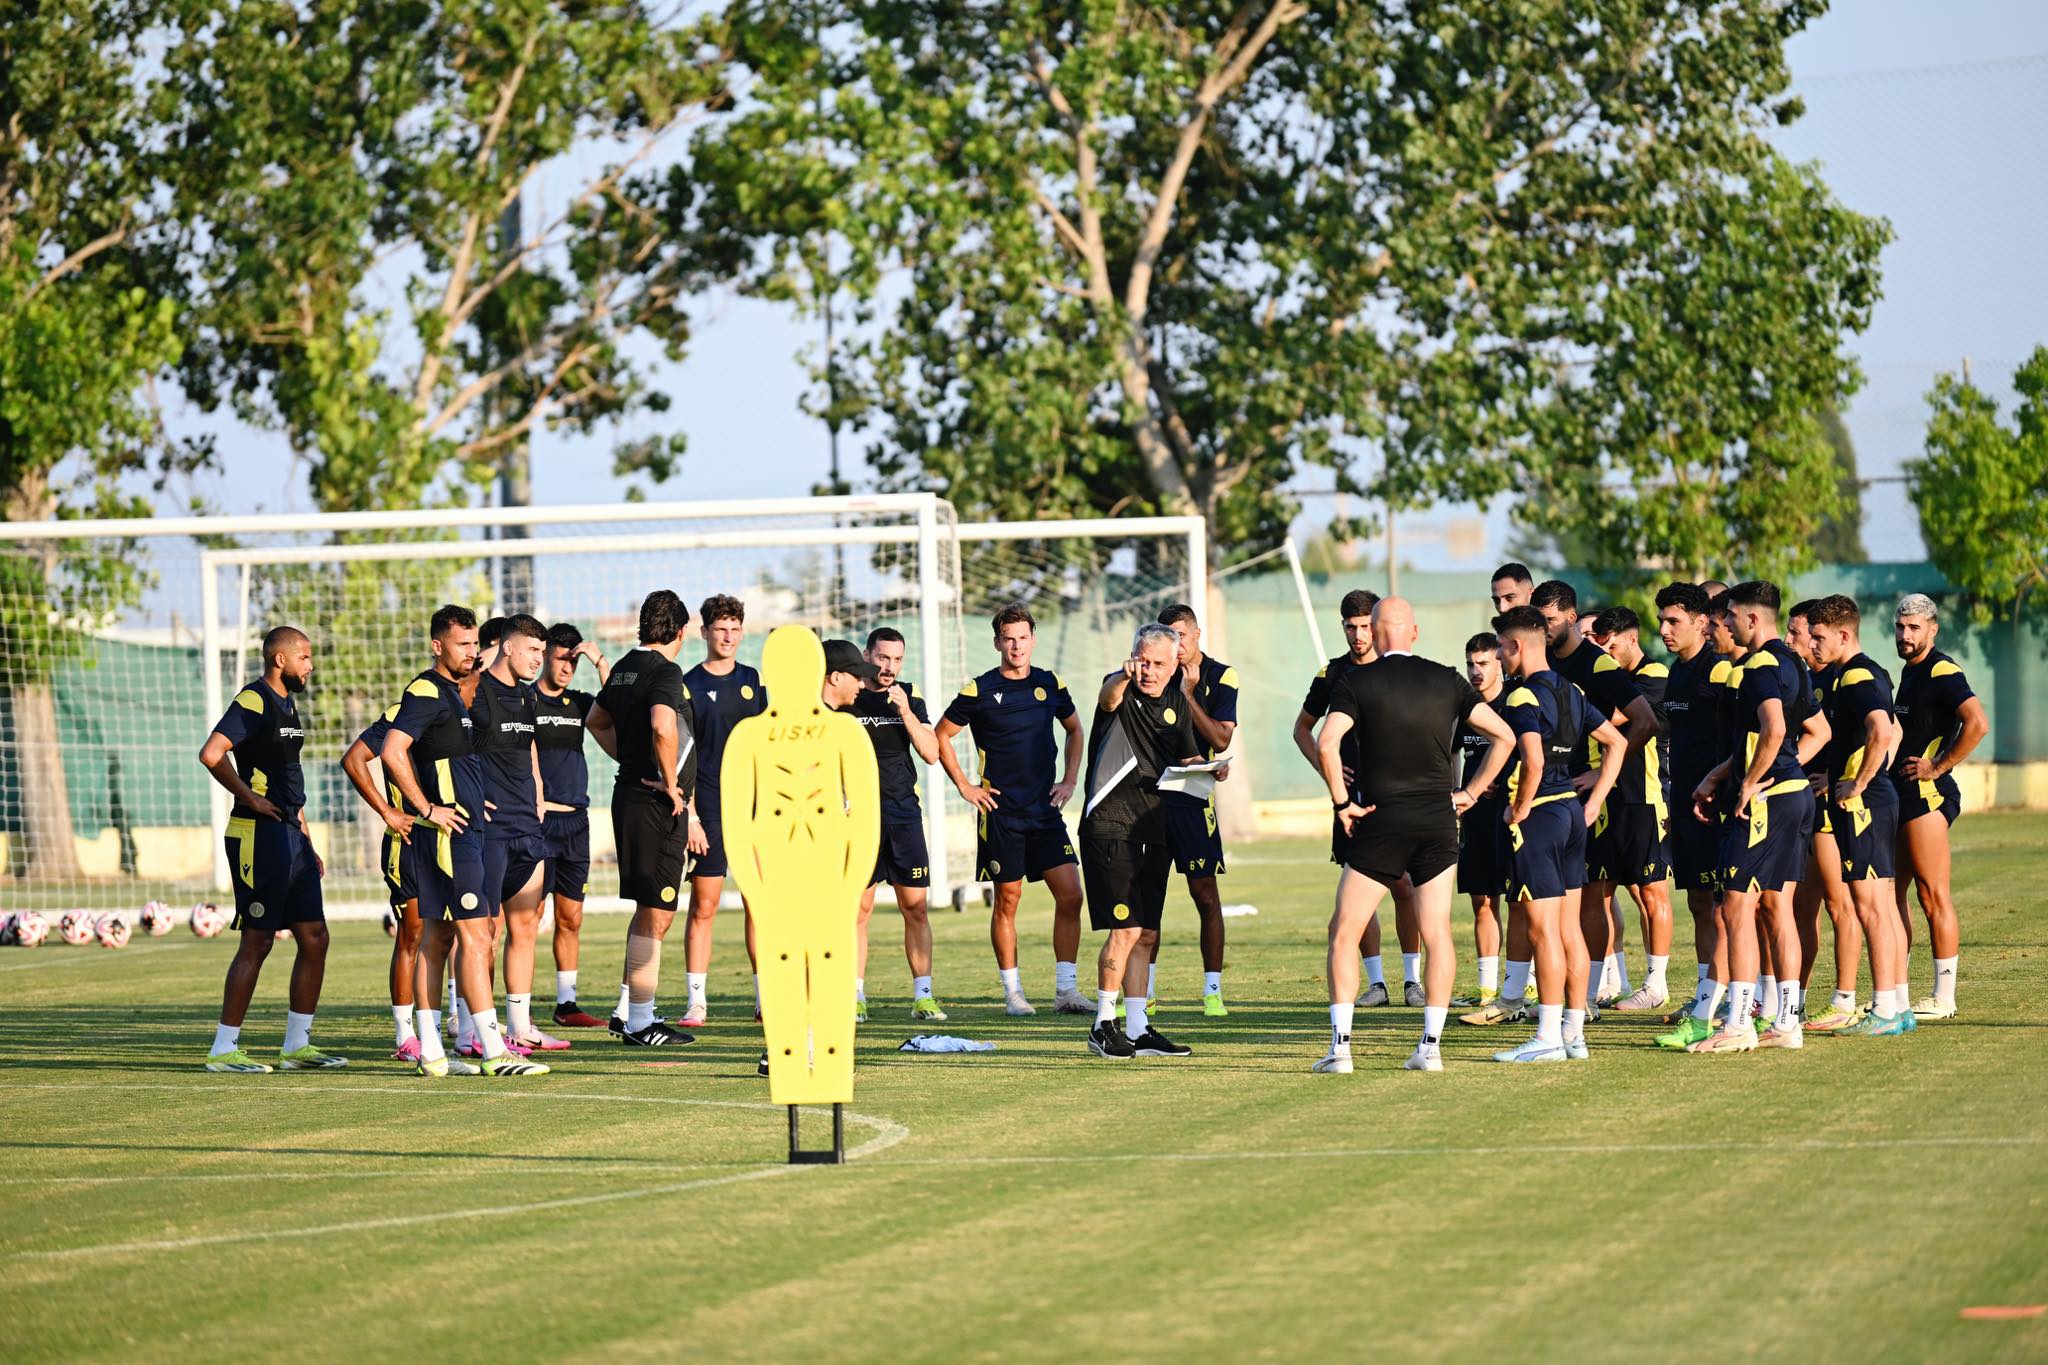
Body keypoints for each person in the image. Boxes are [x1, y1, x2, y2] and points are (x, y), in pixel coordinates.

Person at [1314, 600, 1514, 1073]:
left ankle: (1341, 1050)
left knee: (1344, 932)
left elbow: (1326, 742)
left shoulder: (1355, 680)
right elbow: (1504, 736)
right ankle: (1430, 1047)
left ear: (1379, 636)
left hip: (1380, 821)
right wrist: (1470, 793)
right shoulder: (1447, 678)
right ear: (1415, 633)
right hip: (1437, 821)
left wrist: (1343, 802)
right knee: (1437, 933)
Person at [383, 605, 548, 1077]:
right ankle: (495, 1051)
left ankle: (433, 1052)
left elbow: (454, 762)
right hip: (451, 838)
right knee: (477, 937)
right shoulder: (426, 691)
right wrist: (426, 807)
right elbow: (391, 751)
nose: (472, 653)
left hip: (460, 833)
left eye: (476, 644)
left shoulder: (455, 696)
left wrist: (476, 797)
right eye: (462, 645)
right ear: (437, 646)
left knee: (440, 938)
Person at [1685, 581, 1827, 1054]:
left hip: (1767, 802)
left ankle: (1740, 1022)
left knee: (1736, 907)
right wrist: (1722, 773)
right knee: (1775, 907)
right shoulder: (1794, 664)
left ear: (1751, 619)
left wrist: (1751, 783)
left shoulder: (1763, 664)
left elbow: (1776, 728)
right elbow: (1817, 732)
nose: (1721, 624)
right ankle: (1788, 1022)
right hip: (1791, 796)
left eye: (1727, 616)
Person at [197, 626, 344, 1073]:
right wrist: (249, 797)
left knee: (315, 938)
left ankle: (296, 1046)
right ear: (279, 659)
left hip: (290, 838)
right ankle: (224, 1049)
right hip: (258, 837)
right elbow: (211, 753)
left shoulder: (288, 704)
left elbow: (287, 779)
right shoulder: (253, 699)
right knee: (258, 940)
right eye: (304, 657)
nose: (310, 665)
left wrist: (307, 839)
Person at [935, 602, 1089, 1016]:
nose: (1016, 646)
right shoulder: (979, 689)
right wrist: (965, 786)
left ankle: (1066, 992)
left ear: (1033, 640)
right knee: (1008, 899)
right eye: (1009, 638)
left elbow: (1075, 729)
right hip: (1001, 813)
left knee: (1071, 895)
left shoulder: (1049, 683)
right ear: (997, 642)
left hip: (1045, 810)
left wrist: (1070, 779)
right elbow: (941, 736)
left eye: (1023, 638)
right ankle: (1013, 993)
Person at [1489, 608, 1626, 1063]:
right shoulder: (1571, 690)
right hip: (1570, 813)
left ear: (1517, 646)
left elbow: (1532, 760)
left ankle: (1547, 1036)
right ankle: (1573, 1034)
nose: (1500, 657)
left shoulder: (1523, 697)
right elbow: (1617, 743)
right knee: (1569, 930)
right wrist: (1591, 803)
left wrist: (1520, 807)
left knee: (1543, 931)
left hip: (1542, 817)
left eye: (1502, 649)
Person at [1530, 581, 1658, 1009]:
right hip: (1542, 797)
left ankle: (1585, 997)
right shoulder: (1536, 663)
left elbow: (1643, 722)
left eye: (1549, 620)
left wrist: (1602, 775)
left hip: (1587, 801)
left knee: (1591, 897)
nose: (1542, 628)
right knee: (1550, 903)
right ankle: (1543, 995)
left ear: (1570, 617)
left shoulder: (1597, 666)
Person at [1293, 588, 1423, 1005]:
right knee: (1357, 887)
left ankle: (1412, 981)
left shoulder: (1400, 672)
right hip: (1352, 802)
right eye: (1351, 627)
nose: (1358, 634)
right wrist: (1332, 776)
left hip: (1395, 797)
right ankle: (1377, 984)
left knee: (1404, 887)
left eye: (1366, 626)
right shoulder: (1331, 675)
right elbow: (1302, 730)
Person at [1081, 624, 1203, 1060]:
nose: (1148, 671)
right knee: (1126, 928)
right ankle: (1102, 1025)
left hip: (1153, 828)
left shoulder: (1176, 702)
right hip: (1110, 826)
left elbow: (1187, 757)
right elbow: (1108, 697)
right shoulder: (1119, 689)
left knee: (1147, 933)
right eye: (1142, 660)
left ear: (1175, 667)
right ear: (1132, 656)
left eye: (1157, 664)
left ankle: (1137, 1028)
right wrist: (1123, 673)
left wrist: (1209, 768)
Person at [585, 590, 698, 1047]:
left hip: (630, 796)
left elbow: (595, 720)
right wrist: (669, 781)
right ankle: (640, 1022)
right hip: (656, 805)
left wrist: (632, 762)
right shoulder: (665, 670)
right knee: (656, 913)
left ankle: (629, 1012)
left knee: (649, 911)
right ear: (682, 631)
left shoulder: (625, 668)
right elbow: (662, 724)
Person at [1806, 594, 1914, 1035]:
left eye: (1818, 637)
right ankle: (1897, 1007)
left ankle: (1886, 1011)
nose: (1812, 645)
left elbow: (1883, 729)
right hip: (1865, 800)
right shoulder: (1844, 676)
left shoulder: (1857, 675)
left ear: (1844, 634)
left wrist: (1861, 782)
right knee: (1881, 906)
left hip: (1864, 805)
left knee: (1871, 908)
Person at [1890, 593, 1989, 1020]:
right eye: (1900, 627)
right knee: (1891, 897)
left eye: (1914, 628)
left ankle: (1944, 997)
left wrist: (1939, 765)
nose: (1906, 635)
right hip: (1899, 796)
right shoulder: (1910, 672)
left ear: (1933, 629)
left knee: (1932, 896)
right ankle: (1895, 990)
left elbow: (1978, 722)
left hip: (1926, 798)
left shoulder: (1942, 670)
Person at [1651, 584, 1737, 1050]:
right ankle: (1709, 996)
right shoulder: (1676, 674)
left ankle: (1726, 1002)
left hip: (1720, 808)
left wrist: (1722, 787)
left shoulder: (1720, 670)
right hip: (1684, 806)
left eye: (1673, 622)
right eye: (1661, 621)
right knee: (1700, 904)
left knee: (1731, 908)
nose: (1664, 630)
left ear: (1702, 623)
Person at [473, 614, 564, 1053]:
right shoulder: (473, 691)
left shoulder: (528, 699)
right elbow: (441, 747)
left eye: (542, 652)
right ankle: (472, 1026)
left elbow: (527, 747)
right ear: (507, 647)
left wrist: (540, 790)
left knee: (525, 927)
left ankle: (520, 1025)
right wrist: (462, 797)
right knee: (482, 932)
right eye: (532, 650)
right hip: (488, 831)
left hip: (528, 826)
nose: (538, 660)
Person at [679, 594, 768, 1026]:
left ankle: (764, 996)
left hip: (754, 812)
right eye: (720, 629)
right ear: (705, 633)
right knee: (704, 904)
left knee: (760, 904)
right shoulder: (689, 685)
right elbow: (682, 757)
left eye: (735, 629)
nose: (728, 636)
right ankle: (697, 1000)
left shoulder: (754, 681)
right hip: (709, 809)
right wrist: (691, 815)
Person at [851, 627, 947, 1023]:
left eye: (896, 659)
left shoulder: (908, 696)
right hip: (857, 820)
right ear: (867, 654)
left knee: (916, 908)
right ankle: (854, 997)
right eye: (882, 657)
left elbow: (930, 753)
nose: (889, 667)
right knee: (858, 910)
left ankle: (923, 997)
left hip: (903, 816)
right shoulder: (846, 698)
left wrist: (905, 710)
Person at [1585, 605, 1676, 1011]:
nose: (1605, 652)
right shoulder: (1604, 679)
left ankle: (1656, 984)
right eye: (1599, 646)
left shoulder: (1653, 675)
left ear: (1632, 639)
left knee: (1651, 892)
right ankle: (1593, 987)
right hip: (1606, 800)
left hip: (1643, 798)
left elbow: (1617, 717)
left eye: (1611, 645)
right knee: (1597, 894)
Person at [1157, 602, 1240, 1017]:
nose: (1176, 645)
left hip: (1193, 801)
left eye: (1181, 637)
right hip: (1150, 802)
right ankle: (1145, 992)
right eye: (1168, 637)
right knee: (1146, 898)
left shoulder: (1221, 676)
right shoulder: (1153, 672)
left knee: (1205, 895)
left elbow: (1221, 741)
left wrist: (1189, 694)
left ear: (1196, 634)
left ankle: (1212, 991)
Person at [1785, 601, 1861, 1029]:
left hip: (1834, 810)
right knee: (1801, 909)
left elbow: (1886, 732)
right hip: (1804, 806)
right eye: (1800, 634)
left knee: (1840, 903)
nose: (1798, 642)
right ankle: (1793, 1000)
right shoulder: (1804, 679)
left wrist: (1840, 779)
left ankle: (1845, 1000)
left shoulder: (1849, 676)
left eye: (1806, 634)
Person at [535, 622, 609, 1029]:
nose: (567, 667)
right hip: (537, 823)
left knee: (571, 918)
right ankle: (516, 1007)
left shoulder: (580, 704)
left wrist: (599, 661)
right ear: (544, 654)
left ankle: (566, 1006)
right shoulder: (525, 702)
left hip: (576, 823)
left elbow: (618, 702)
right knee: (526, 920)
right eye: (562, 658)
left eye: (573, 660)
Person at [339, 698, 422, 1060]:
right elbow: (353, 758)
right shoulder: (403, 711)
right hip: (409, 841)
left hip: (460, 839)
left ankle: (462, 1025)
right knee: (414, 935)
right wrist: (387, 811)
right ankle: (406, 1036)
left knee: (465, 935)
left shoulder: (475, 706)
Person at [1451, 633, 1514, 1014]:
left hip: (1513, 814)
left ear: (1500, 663)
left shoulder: (1516, 702)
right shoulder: (1465, 709)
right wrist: (1459, 791)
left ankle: (1529, 985)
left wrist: (1501, 785)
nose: (1476, 671)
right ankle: (1489, 990)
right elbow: (1451, 753)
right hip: (1475, 817)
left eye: (1484, 663)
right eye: (1471, 664)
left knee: (1524, 902)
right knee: (1482, 900)